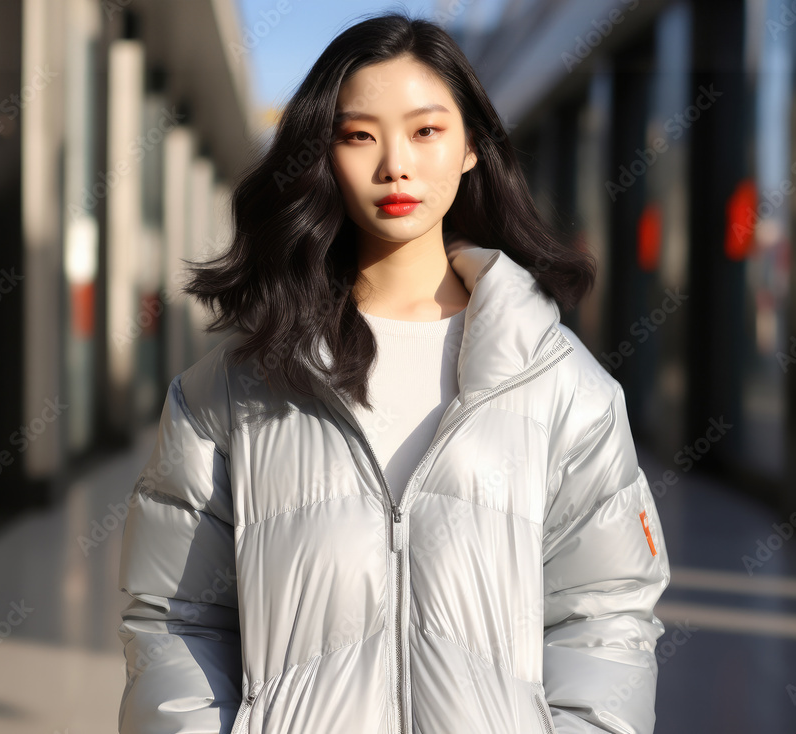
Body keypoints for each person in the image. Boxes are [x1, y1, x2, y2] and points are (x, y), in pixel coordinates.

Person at [117, 10, 670, 734]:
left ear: (471, 146)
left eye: (426, 130)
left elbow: (606, 616)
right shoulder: (231, 390)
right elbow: (174, 618)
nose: (394, 165)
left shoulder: (564, 388)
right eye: (358, 135)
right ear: (324, 154)